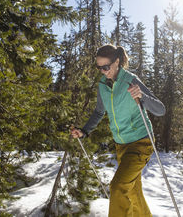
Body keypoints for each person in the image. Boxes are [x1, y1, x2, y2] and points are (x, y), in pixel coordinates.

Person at [71, 44, 166, 217]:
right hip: (121, 146)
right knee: (132, 192)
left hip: (141, 143)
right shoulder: (103, 85)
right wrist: (84, 131)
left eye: (105, 67)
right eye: (99, 67)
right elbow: (100, 111)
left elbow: (160, 109)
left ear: (116, 62)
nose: (102, 71)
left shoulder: (131, 80)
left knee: (118, 187)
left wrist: (141, 96)